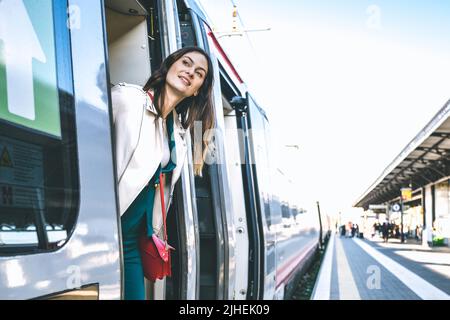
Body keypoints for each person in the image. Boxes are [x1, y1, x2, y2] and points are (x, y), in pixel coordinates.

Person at [112, 47, 214, 300]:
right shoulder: (126, 99)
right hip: (104, 234)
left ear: (198, 88)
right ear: (169, 66)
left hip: (133, 244)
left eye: (199, 73)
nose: (190, 72)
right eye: (186, 63)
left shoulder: (179, 134)